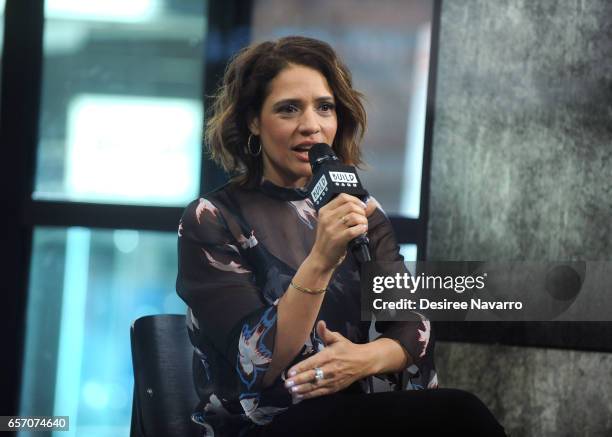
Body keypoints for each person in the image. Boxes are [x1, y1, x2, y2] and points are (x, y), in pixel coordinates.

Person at [176, 35, 506, 436]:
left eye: (324, 108)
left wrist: (361, 360)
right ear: (253, 121)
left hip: (353, 414)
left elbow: (413, 325)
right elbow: (255, 362)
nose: (311, 126)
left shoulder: (360, 208)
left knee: (461, 412)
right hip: (262, 426)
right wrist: (321, 258)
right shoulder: (211, 218)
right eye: (288, 109)